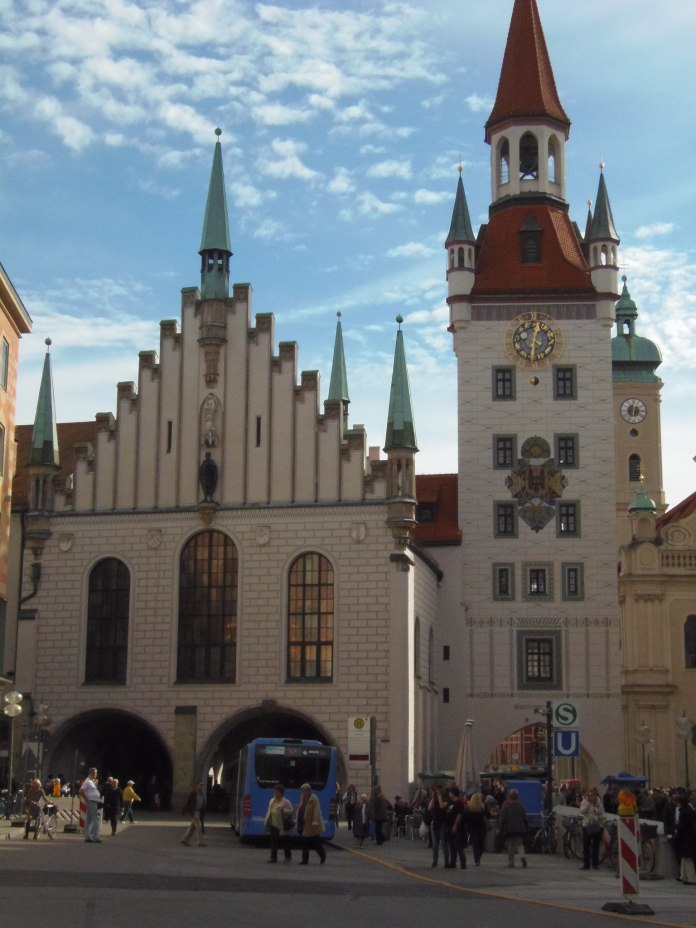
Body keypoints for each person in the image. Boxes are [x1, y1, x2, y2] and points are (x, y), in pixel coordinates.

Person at [297, 783, 326, 864]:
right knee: (305, 842)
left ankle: (322, 854)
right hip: (304, 823)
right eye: (302, 791)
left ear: (308, 791)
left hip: (312, 824)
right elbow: (301, 808)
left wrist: (315, 822)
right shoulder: (302, 798)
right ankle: (305, 860)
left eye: (304, 791)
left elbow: (317, 810)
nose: (302, 792)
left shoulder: (313, 798)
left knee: (315, 842)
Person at [499, 788, 528, 869]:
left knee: (511, 845)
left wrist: (501, 826)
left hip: (509, 828)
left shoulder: (506, 805)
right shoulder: (520, 805)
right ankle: (522, 856)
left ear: (509, 796)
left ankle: (511, 862)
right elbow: (525, 817)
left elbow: (503, 817)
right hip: (519, 828)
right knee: (519, 844)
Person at [264, 783, 293, 863]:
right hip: (273, 824)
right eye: (274, 792)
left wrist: (283, 810)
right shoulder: (272, 800)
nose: (275, 794)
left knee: (285, 841)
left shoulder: (286, 801)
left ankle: (288, 856)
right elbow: (269, 811)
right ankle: (273, 858)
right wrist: (267, 822)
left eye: (277, 792)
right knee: (273, 841)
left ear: (281, 793)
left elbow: (291, 811)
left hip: (282, 824)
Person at [579, 787, 604, 870]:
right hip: (586, 825)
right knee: (586, 846)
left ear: (595, 795)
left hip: (596, 826)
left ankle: (595, 864)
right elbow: (582, 811)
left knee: (596, 846)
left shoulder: (599, 803)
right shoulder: (585, 802)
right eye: (588, 795)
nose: (590, 797)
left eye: (591, 795)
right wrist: (589, 804)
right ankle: (586, 864)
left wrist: (597, 818)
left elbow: (602, 814)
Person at [674, 790, 696, 884]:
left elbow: (681, 826)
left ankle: (691, 877)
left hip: (684, 837)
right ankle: (683, 876)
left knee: (687, 857)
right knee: (684, 857)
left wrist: (676, 829)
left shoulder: (683, 812)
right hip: (690, 836)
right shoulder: (690, 810)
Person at [445, 785, 467, 869]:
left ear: (453, 793)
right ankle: (453, 862)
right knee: (451, 845)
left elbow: (459, 815)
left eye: (450, 792)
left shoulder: (459, 803)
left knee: (458, 845)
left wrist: (455, 825)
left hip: (457, 827)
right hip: (449, 826)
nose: (449, 794)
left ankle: (463, 862)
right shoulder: (451, 803)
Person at [464, 791, 488, 867]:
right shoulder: (482, 809)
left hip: (472, 829)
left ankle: (476, 859)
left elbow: (466, 819)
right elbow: (485, 818)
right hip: (481, 829)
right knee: (481, 846)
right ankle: (478, 858)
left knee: (475, 845)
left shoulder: (469, 809)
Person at [79, 767, 103, 843]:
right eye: (94, 773)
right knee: (95, 819)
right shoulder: (88, 781)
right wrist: (86, 799)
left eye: (96, 773)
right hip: (91, 801)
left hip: (93, 801)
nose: (96, 774)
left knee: (89, 819)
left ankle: (88, 837)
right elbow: (81, 790)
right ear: (91, 773)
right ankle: (95, 837)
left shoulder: (91, 781)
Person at [181, 781, 207, 847]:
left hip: (199, 812)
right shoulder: (193, 793)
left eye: (202, 785)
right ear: (196, 785)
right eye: (200, 785)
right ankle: (200, 842)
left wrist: (203, 811)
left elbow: (202, 803)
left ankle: (185, 839)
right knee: (198, 827)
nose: (201, 786)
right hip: (194, 812)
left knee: (192, 827)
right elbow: (188, 802)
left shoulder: (201, 793)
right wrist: (185, 810)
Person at [428, 788, 449, 868]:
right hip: (434, 824)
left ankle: (446, 862)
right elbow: (429, 808)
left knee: (444, 844)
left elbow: (442, 806)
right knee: (435, 844)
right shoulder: (434, 802)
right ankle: (434, 861)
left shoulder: (446, 801)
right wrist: (433, 798)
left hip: (442, 824)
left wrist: (440, 797)